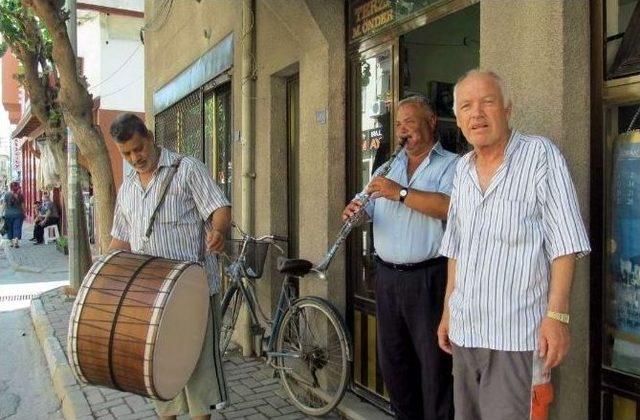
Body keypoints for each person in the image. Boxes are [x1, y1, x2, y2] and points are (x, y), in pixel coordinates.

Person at [437, 70, 591, 420]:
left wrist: (557, 316)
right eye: (466, 106)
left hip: (517, 338)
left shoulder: (539, 155)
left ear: (508, 110)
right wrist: (448, 311)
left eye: (487, 102)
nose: (477, 114)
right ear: (458, 119)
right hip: (466, 333)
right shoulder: (461, 170)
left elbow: (564, 243)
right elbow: (457, 250)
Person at [108, 113, 230, 420]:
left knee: (198, 376)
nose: (135, 157)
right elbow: (120, 240)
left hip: (194, 293)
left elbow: (219, 207)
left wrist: (218, 231)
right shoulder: (128, 190)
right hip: (151, 299)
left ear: (148, 137)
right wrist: (103, 272)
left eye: (138, 148)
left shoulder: (187, 169)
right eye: (127, 154)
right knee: (160, 373)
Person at [342, 96, 458, 419]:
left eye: (409, 121)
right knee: (396, 366)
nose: (402, 130)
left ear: (431, 121)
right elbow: (364, 206)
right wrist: (356, 211)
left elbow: (449, 207)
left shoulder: (453, 165)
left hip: (429, 280)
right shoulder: (387, 167)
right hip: (388, 280)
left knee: (435, 370)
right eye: (398, 124)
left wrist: (400, 193)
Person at [2, 181, 26, 248]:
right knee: (17, 227)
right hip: (18, 214)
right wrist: (24, 213)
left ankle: (11, 243)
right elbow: (23, 206)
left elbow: (4, 205)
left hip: (8, 214)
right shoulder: (21, 195)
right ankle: (16, 241)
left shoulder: (6, 194)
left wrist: (1, 213)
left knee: (9, 228)